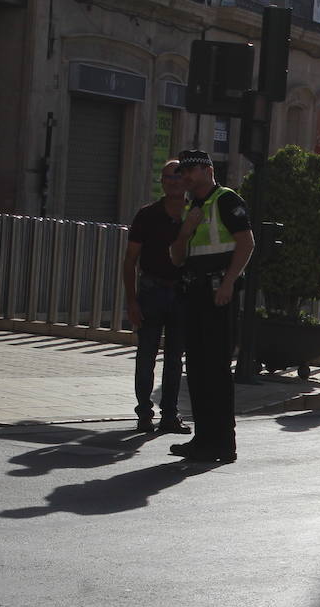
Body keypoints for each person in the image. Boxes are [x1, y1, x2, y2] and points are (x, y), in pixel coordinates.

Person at [166, 149, 254, 463]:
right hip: (194, 295)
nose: (185, 176)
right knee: (198, 370)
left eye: (191, 170)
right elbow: (177, 258)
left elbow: (246, 243)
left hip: (218, 295)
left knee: (216, 370)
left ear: (207, 170)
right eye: (182, 171)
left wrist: (229, 282)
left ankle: (223, 442)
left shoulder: (226, 200)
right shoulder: (192, 208)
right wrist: (186, 230)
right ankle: (203, 438)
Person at [123, 159, 190, 435]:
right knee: (146, 355)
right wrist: (131, 300)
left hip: (183, 292)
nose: (173, 182)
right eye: (168, 178)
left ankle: (170, 415)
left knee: (175, 358)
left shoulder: (196, 214)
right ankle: (143, 414)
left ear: (185, 182)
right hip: (151, 291)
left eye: (178, 177)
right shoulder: (147, 215)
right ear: (161, 182)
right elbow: (130, 260)